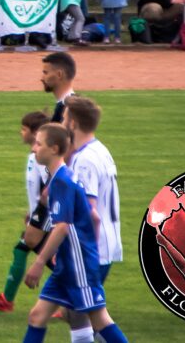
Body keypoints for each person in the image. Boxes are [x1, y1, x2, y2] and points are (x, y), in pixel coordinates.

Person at [20, 123, 129, 343]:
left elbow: (62, 226)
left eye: (38, 144)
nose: (33, 148)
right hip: (68, 263)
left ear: (54, 148)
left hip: (79, 265)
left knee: (99, 320)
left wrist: (39, 262)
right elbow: (92, 218)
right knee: (37, 316)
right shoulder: (62, 177)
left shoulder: (62, 182)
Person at [0, 111, 51, 314]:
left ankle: (72, 298)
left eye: (24, 129)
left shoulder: (41, 159)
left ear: (35, 133)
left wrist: (39, 214)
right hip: (38, 215)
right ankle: (6, 300)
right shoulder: (34, 156)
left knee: (49, 258)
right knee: (24, 250)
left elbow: (51, 185)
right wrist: (31, 211)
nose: (21, 132)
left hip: (47, 217)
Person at [65, 98, 122, 285]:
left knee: (80, 303)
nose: (62, 123)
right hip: (107, 243)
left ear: (73, 124)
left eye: (65, 119)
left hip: (93, 249)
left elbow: (89, 212)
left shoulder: (85, 160)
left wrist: (81, 250)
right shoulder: (100, 150)